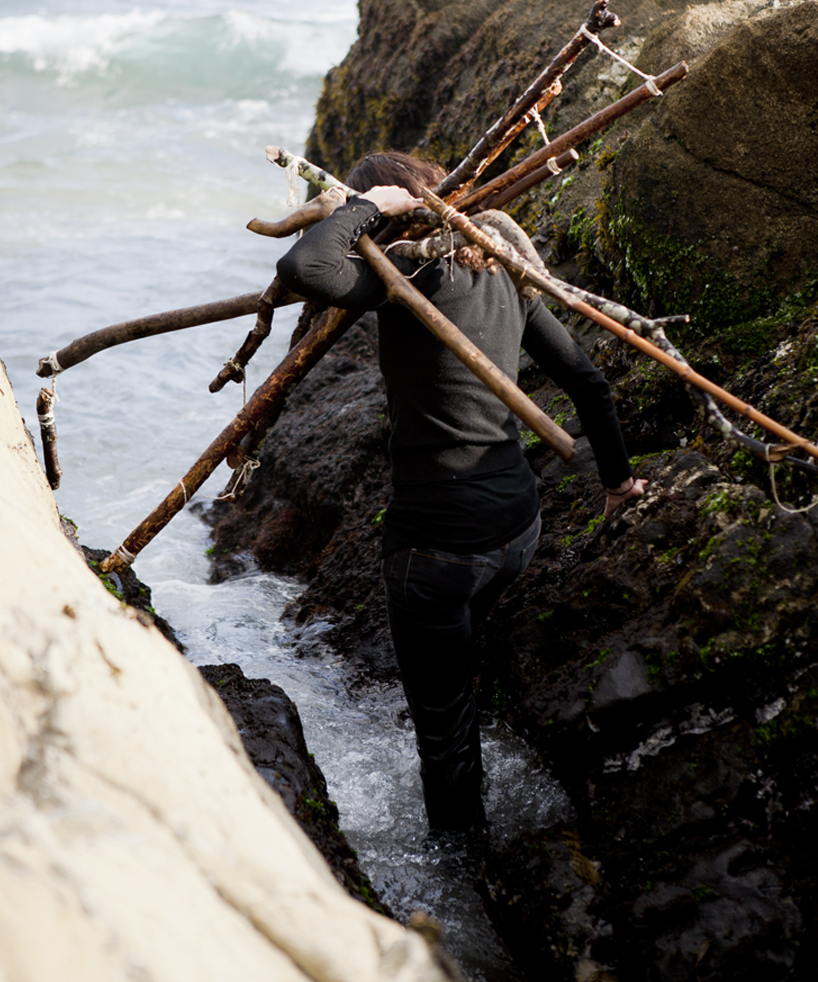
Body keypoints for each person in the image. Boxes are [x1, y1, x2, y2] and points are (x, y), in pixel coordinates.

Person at [276, 151, 644, 832]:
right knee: (461, 658)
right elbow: (588, 382)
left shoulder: (401, 277)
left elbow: (303, 268)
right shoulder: (501, 266)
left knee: (442, 733)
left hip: (435, 551)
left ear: (393, 214)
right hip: (517, 529)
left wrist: (362, 210)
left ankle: (459, 867)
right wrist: (619, 482)